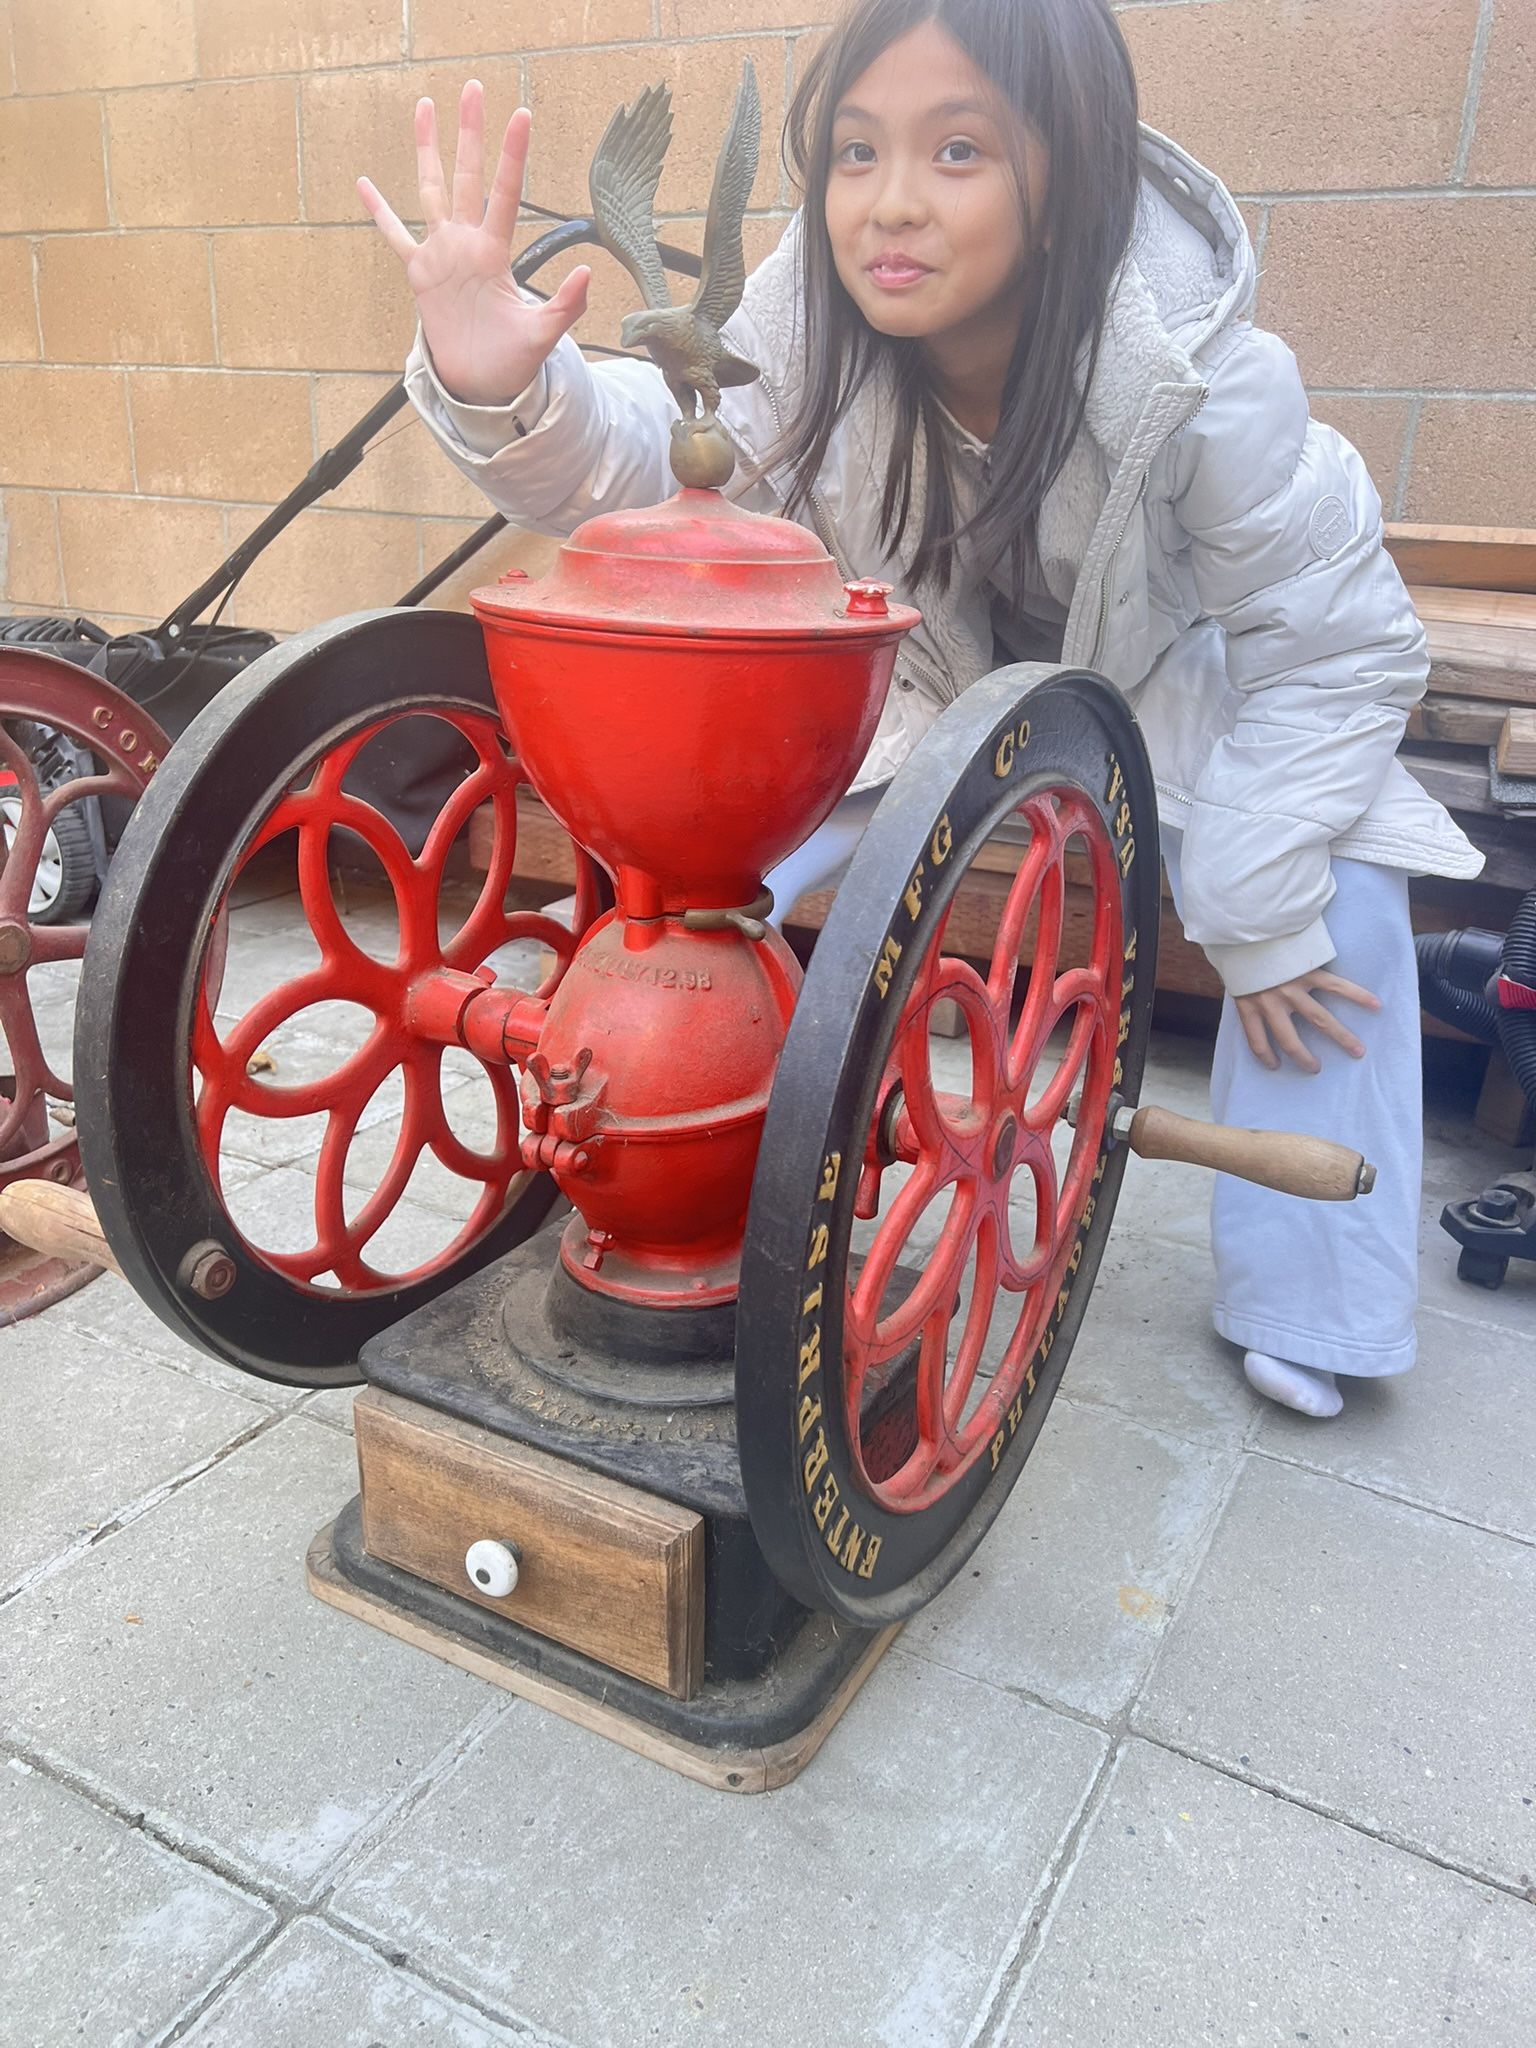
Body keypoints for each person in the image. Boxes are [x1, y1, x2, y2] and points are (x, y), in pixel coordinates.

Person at [359, 0, 1481, 1417]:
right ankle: (674, 1182)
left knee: (1344, 892)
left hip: (1167, 707)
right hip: (925, 703)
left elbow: (1340, 646)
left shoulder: (1202, 377)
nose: (888, 204)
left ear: (1061, 176)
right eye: (853, 152)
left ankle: (1317, 1291)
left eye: (958, 151)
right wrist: (503, 379)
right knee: (698, 891)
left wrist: (1254, 903)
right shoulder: (803, 331)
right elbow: (662, 458)